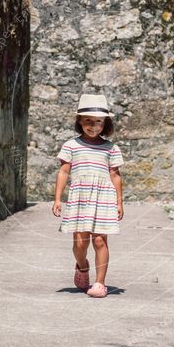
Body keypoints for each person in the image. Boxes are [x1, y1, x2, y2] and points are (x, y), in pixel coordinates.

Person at [52, 93, 124, 298]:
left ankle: (100, 283)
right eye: (88, 122)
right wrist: (57, 199)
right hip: (80, 199)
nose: (94, 126)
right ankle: (82, 267)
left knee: (100, 241)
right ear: (80, 122)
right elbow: (64, 172)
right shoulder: (71, 146)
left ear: (105, 123)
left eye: (99, 122)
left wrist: (119, 202)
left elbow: (115, 175)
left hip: (104, 198)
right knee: (80, 243)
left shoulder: (111, 148)